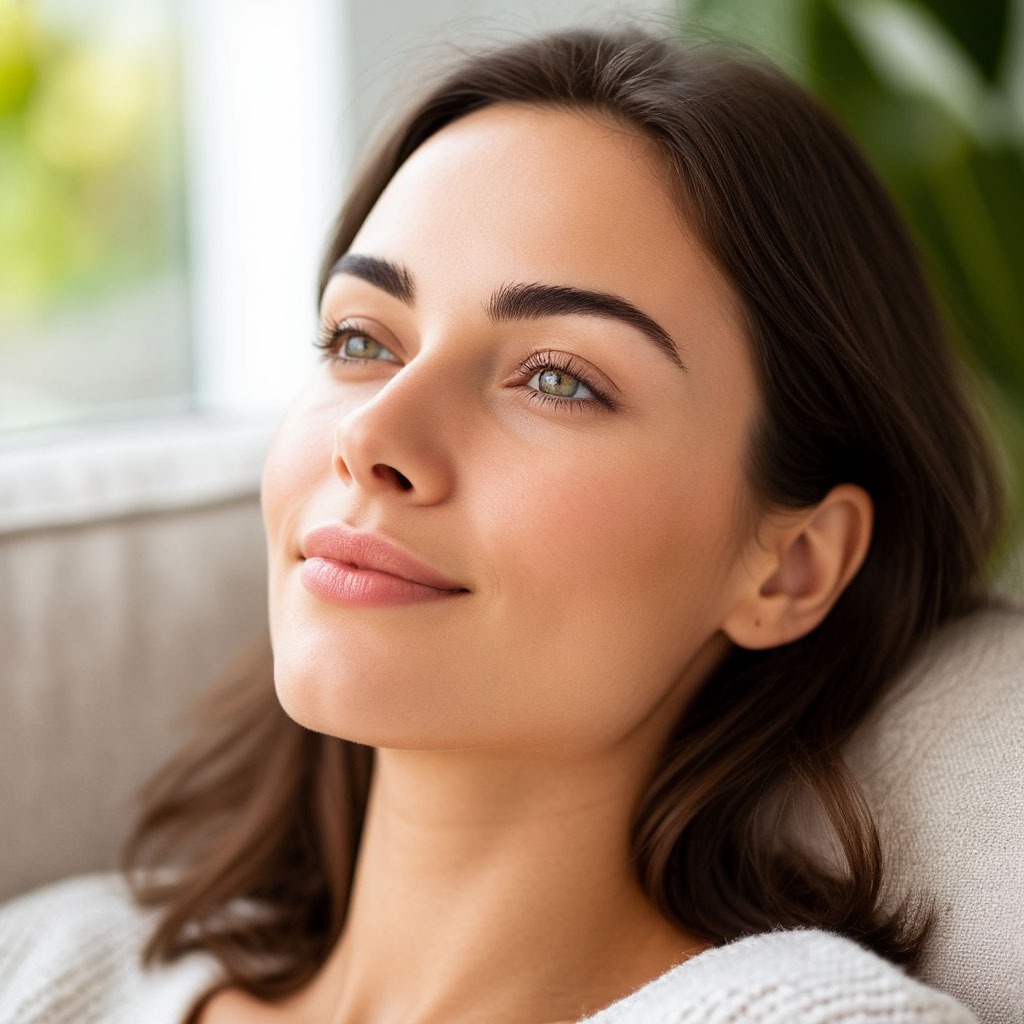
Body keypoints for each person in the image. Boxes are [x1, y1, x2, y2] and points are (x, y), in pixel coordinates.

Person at [0, 24, 1005, 1024]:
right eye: (361, 339)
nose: (371, 434)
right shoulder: (44, 963)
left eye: (558, 379)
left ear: (791, 565)